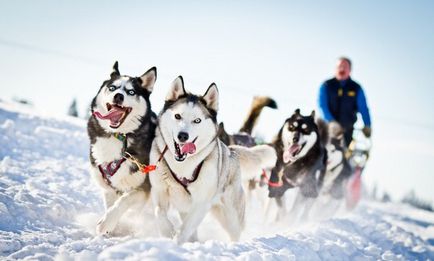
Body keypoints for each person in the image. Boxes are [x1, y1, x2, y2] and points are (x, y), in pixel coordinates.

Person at [318, 57, 372, 146]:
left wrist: (367, 125)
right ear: (335, 69)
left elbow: (364, 109)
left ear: (350, 70)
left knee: (343, 155)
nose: (342, 69)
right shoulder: (326, 85)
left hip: (347, 131)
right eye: (339, 66)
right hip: (327, 130)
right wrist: (331, 122)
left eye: (345, 67)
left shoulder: (356, 88)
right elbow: (322, 105)